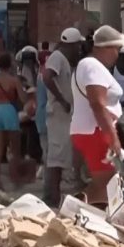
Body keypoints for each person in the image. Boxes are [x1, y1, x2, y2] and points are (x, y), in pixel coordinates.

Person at [70, 25, 124, 196]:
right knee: (106, 185)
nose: (117, 55)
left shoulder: (89, 65)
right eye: (117, 49)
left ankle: (74, 208)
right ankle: (72, 208)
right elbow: (97, 104)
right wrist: (112, 137)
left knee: (104, 184)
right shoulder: (92, 66)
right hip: (96, 132)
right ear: (106, 48)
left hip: (92, 131)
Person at [42, 27, 85, 206]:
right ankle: (51, 196)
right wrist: (61, 100)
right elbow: (47, 77)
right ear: (72, 45)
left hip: (64, 116)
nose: (79, 49)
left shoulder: (65, 60)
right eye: (78, 46)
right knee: (56, 158)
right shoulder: (57, 57)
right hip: (58, 114)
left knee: (60, 157)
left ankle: (53, 195)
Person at [0, 52, 28, 191]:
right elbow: (23, 99)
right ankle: (16, 180)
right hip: (9, 110)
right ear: (10, 65)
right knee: (15, 149)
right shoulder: (14, 80)